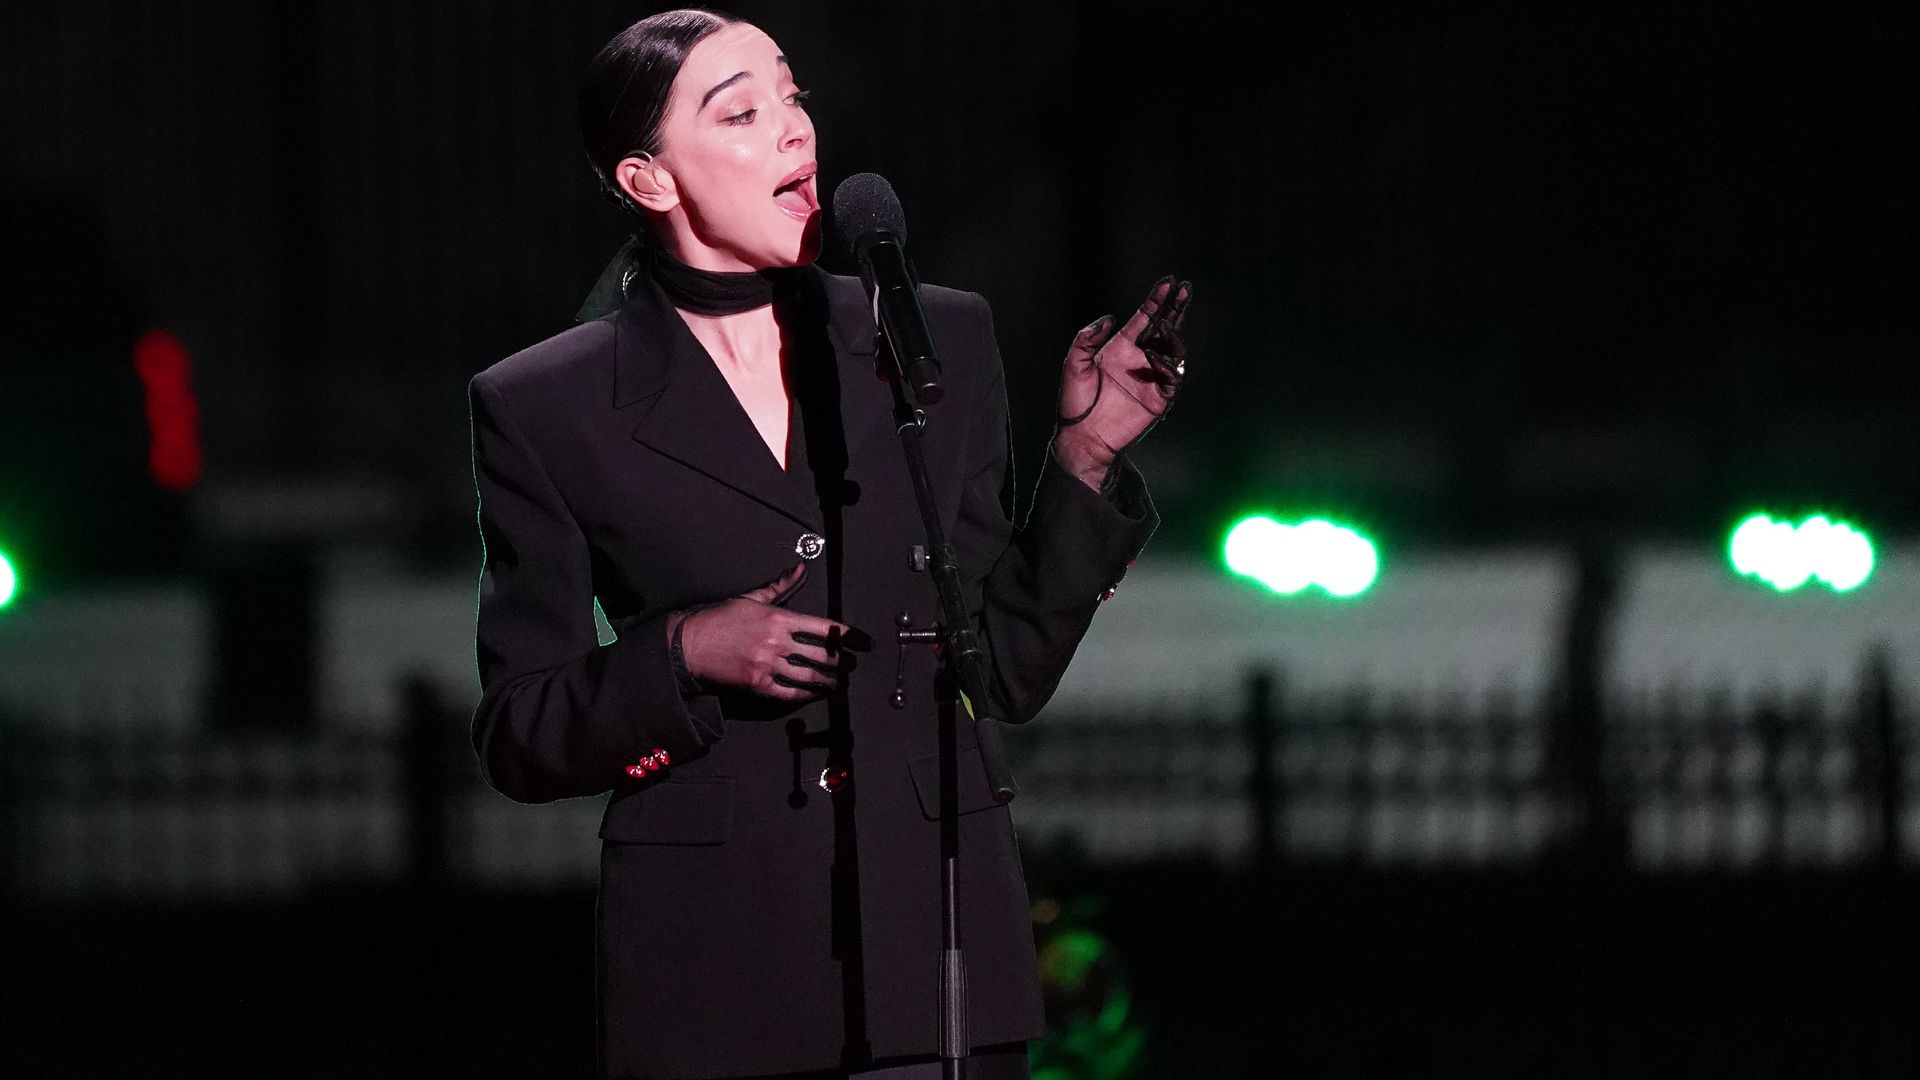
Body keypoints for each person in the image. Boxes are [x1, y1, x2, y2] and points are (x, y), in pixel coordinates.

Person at [466, 9, 1193, 1079]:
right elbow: (519, 733)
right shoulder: (547, 404)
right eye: (743, 111)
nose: (795, 131)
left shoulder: (935, 340)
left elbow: (1002, 668)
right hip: (714, 974)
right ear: (649, 179)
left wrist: (1084, 459)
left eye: (793, 96)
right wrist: (680, 655)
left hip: (936, 959)